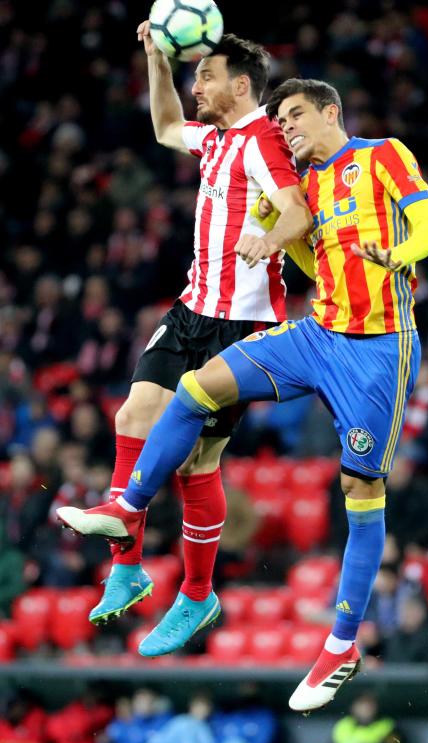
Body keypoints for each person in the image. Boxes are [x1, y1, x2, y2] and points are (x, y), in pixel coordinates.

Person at [57, 78, 428, 711]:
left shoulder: (384, 155)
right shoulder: (305, 186)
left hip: (378, 350)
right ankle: (129, 506)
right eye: (280, 119)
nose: (287, 128)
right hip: (318, 333)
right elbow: (314, 269)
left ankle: (342, 643)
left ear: (331, 113)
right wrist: (275, 234)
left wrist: (395, 254)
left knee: (362, 494)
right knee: (194, 389)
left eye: (296, 116)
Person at [58, 27, 311, 626]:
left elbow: (298, 210)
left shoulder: (263, 142)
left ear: (241, 85)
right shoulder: (217, 139)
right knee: (131, 418)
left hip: (241, 325)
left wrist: (267, 239)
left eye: (205, 75)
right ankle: (127, 569)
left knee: (199, 460)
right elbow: (165, 126)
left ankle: (197, 595)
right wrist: (155, 60)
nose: (194, 85)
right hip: (191, 309)